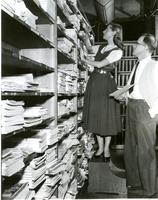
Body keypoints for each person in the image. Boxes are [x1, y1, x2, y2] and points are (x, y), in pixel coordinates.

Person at [115, 33, 158, 198]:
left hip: (145, 110)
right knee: (131, 148)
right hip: (132, 107)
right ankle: (135, 183)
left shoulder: (155, 66)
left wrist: (152, 111)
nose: (134, 45)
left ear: (146, 47)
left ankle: (149, 189)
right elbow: (133, 87)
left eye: (137, 43)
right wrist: (124, 95)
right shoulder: (136, 65)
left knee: (146, 151)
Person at [81, 23, 123, 161]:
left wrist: (83, 59)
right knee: (96, 114)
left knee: (107, 116)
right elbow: (88, 47)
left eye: (107, 29)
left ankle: (106, 149)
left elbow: (99, 64)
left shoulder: (118, 51)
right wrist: (85, 34)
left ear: (114, 33)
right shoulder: (100, 47)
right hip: (94, 82)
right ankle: (100, 147)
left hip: (106, 84)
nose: (104, 31)